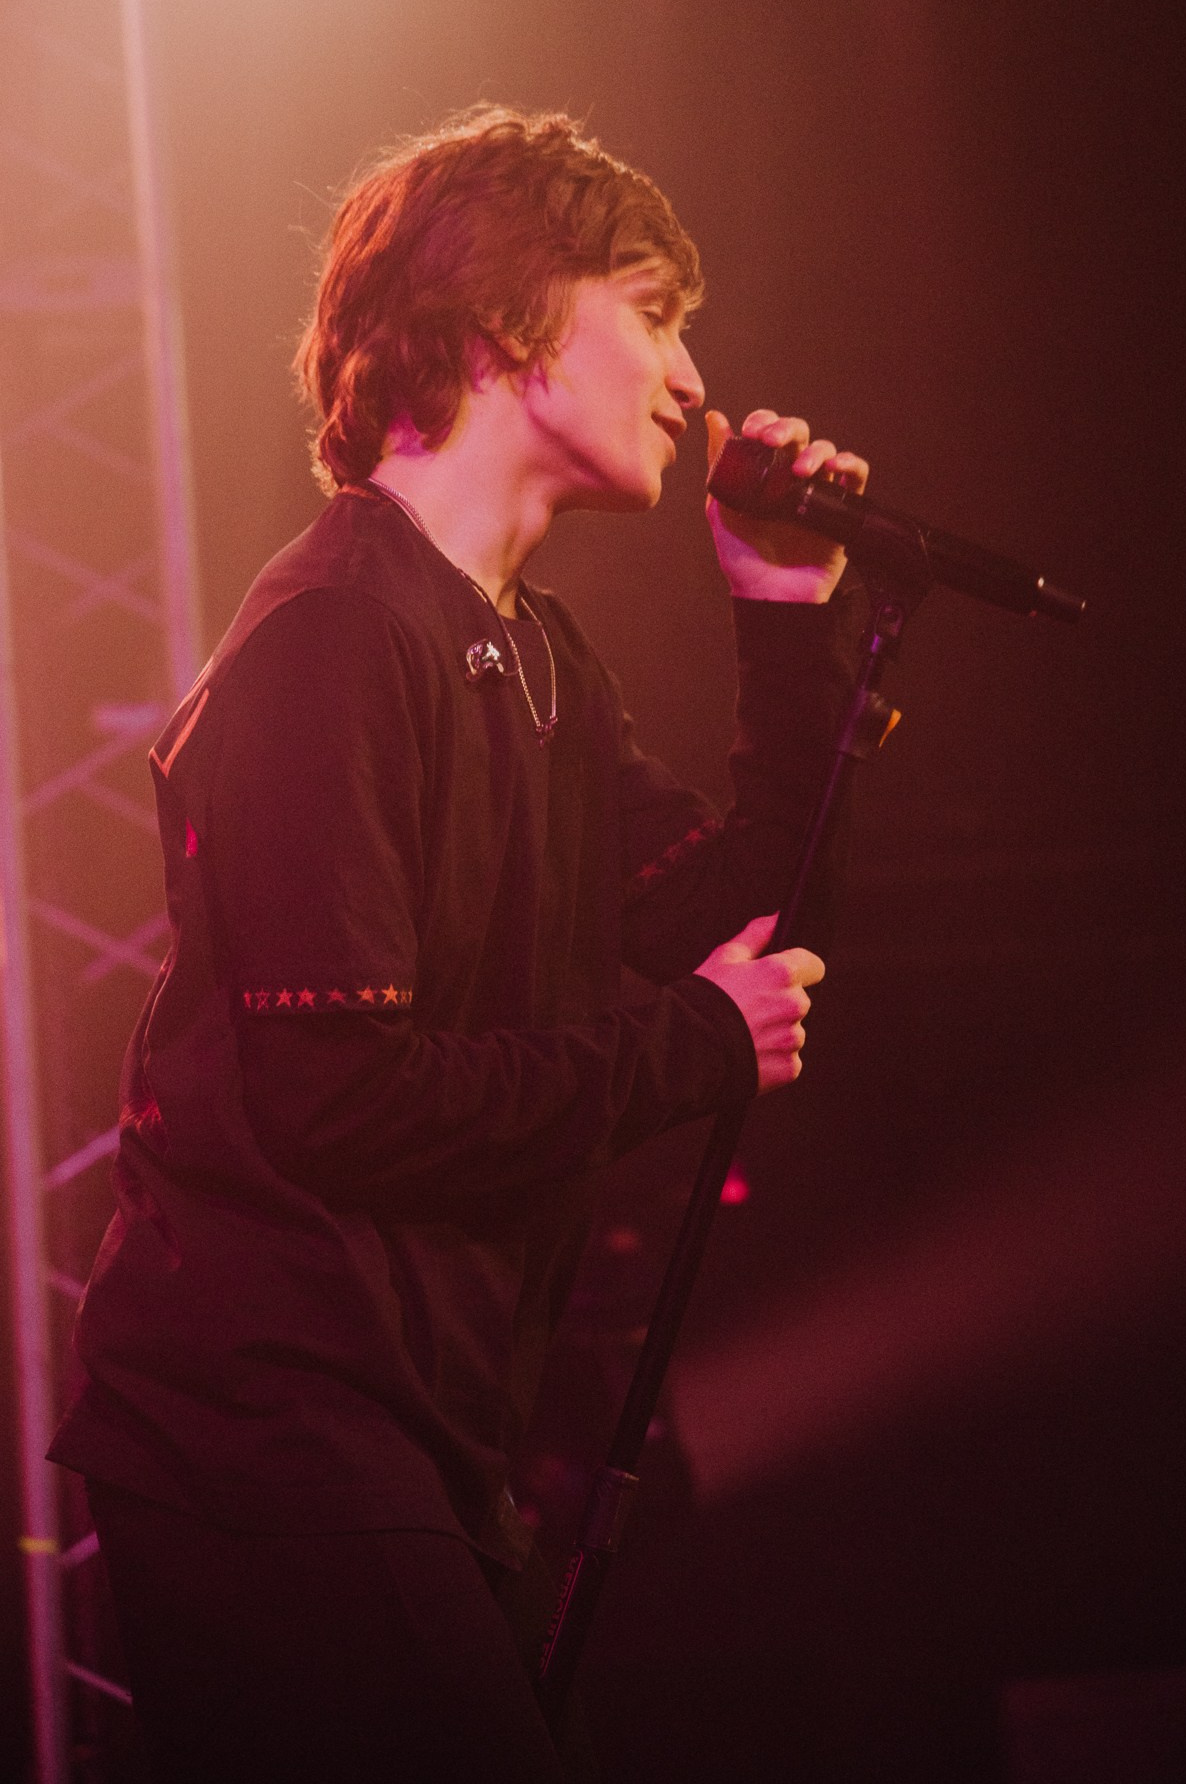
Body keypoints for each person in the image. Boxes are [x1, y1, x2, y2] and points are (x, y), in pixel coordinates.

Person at [49, 105, 870, 1781]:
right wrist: (692, 1045)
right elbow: (342, 1097)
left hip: (415, 1426)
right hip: (261, 1426)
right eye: (653, 312)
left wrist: (783, 611)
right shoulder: (338, 636)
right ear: (506, 325)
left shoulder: (530, 650)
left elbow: (736, 916)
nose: (691, 379)